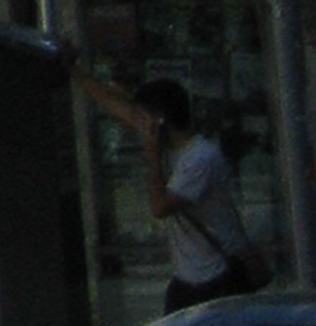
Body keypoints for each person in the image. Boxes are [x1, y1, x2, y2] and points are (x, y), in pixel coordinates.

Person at [77, 69, 261, 306]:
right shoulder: (171, 146)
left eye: (145, 119)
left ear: (160, 120)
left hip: (214, 276)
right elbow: (117, 108)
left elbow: (160, 207)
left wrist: (152, 158)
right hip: (187, 277)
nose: (140, 125)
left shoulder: (199, 158)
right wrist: (75, 71)